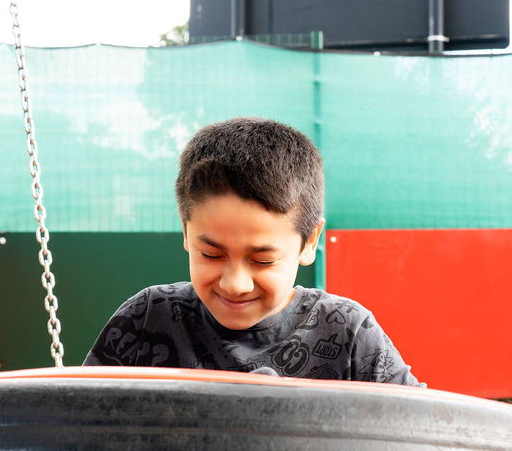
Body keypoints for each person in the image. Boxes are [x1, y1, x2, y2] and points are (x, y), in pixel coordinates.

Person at [84, 117, 421, 387]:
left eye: (263, 260)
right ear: (186, 231)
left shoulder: (347, 332)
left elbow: (419, 431)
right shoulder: (147, 319)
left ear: (310, 242)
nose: (235, 284)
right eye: (212, 255)